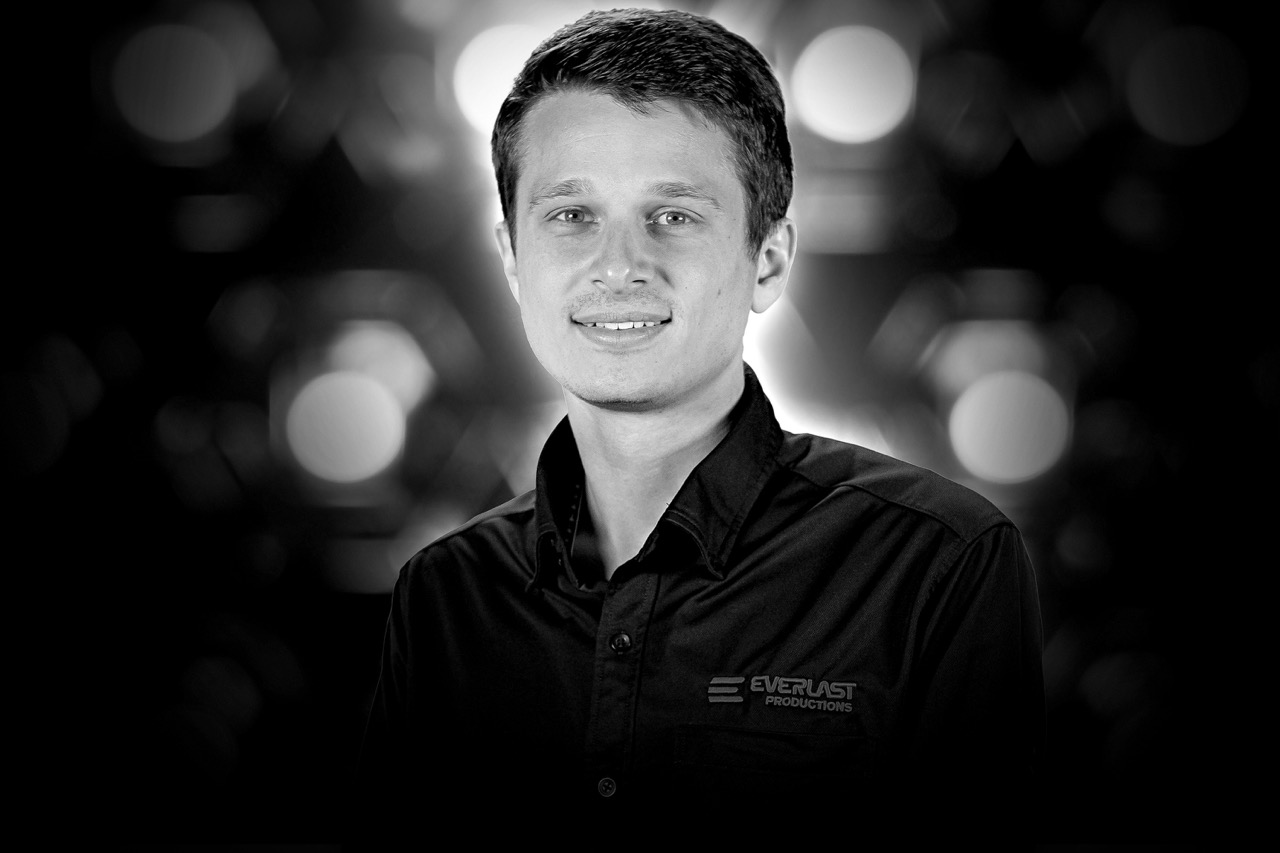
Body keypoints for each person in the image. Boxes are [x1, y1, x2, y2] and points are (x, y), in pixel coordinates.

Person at [351, 7, 1043, 844]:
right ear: (511, 259)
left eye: (673, 215)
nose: (619, 265)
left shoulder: (937, 565)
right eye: (571, 216)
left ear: (769, 260)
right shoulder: (444, 595)